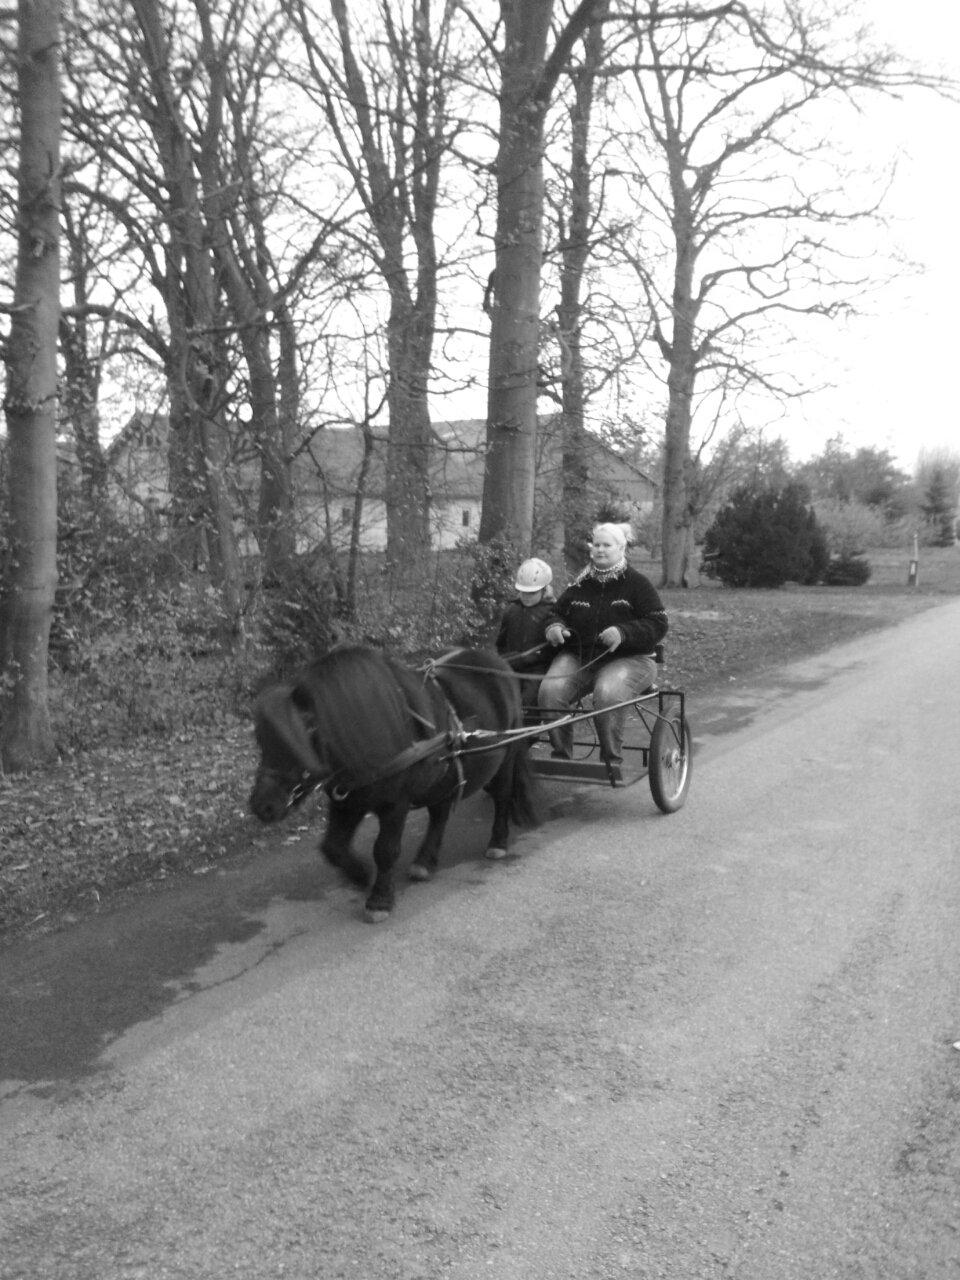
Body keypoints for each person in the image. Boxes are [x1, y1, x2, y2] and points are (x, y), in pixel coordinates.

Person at [537, 522, 667, 777]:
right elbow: (555, 613)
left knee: (607, 694)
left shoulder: (637, 584)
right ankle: (561, 758)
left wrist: (623, 632)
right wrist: (554, 626)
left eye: (607, 545)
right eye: (596, 545)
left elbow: (659, 622)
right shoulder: (580, 585)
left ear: (621, 548)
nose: (600, 550)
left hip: (632, 660)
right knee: (550, 691)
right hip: (581, 658)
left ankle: (610, 761)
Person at [495, 557, 555, 708]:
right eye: (523, 592)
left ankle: (529, 728)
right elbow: (500, 643)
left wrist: (534, 658)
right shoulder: (511, 610)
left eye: (532, 593)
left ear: (544, 589)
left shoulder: (552, 612)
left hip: (537, 671)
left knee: (527, 704)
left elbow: (555, 650)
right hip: (511, 667)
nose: (526, 597)